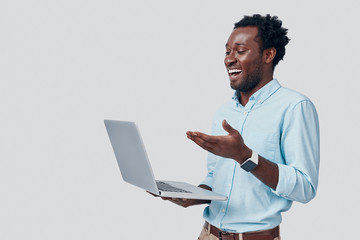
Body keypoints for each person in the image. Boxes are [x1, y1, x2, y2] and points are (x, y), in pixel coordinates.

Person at [163, 14, 320, 240]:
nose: (229, 59)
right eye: (227, 52)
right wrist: (193, 196)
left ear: (268, 54)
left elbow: (305, 187)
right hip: (208, 234)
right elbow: (214, 177)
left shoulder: (295, 107)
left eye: (240, 50)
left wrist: (245, 156)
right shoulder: (224, 113)